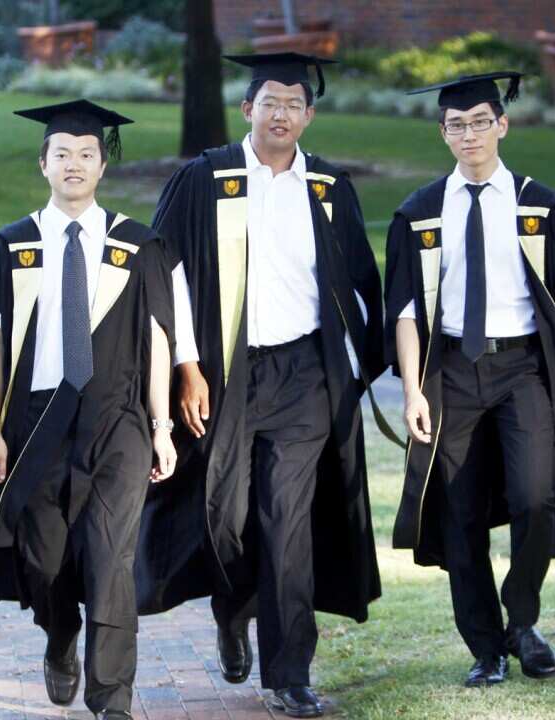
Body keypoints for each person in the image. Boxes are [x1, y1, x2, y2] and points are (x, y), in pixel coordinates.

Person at [134, 53, 386, 718]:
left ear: (308, 115)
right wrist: (186, 365)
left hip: (303, 375)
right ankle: (232, 608)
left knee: (288, 521)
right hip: (222, 374)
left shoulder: (328, 188)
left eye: (293, 104)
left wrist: (353, 367)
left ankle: (288, 673)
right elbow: (167, 276)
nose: (281, 114)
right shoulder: (204, 179)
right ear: (247, 109)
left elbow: (357, 279)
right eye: (269, 102)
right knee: (228, 515)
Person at [384, 72, 555, 687]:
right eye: (457, 124)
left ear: (503, 125)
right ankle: (486, 648)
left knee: (533, 496)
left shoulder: (538, 206)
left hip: (524, 369)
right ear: (443, 132)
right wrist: (412, 389)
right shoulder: (419, 214)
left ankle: (522, 622)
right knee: (458, 512)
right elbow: (407, 313)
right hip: (452, 375)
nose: (469, 133)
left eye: (480, 121)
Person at [0, 100, 177, 720]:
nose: (75, 164)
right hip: (35, 421)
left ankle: (111, 698)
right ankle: (59, 636)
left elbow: (160, 338)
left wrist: (162, 426)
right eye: (62, 153)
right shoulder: (12, 246)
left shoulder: (137, 246)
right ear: (43, 164)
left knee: (111, 555)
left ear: (103, 164)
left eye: (87, 154)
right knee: (46, 558)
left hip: (118, 420)